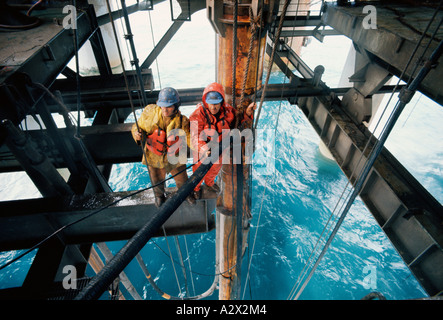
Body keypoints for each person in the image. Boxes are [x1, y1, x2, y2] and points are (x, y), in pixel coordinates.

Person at [189, 82, 256, 199]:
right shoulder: (198, 114)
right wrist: (203, 148)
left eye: (216, 103)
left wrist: (247, 113)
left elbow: (237, 121)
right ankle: (196, 189)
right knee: (198, 172)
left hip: (220, 150)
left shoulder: (228, 111)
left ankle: (209, 183)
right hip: (203, 152)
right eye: (210, 103)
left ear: (221, 102)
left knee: (214, 170)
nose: (213, 107)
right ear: (206, 101)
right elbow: (194, 135)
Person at [131, 87, 195, 207]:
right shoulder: (149, 115)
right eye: (163, 105)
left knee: (182, 178)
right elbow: (137, 126)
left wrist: (201, 149)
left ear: (176, 106)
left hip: (174, 155)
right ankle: (159, 196)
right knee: (155, 179)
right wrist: (137, 134)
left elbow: (190, 138)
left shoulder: (183, 121)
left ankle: (186, 194)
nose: (165, 109)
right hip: (154, 154)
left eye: (169, 106)